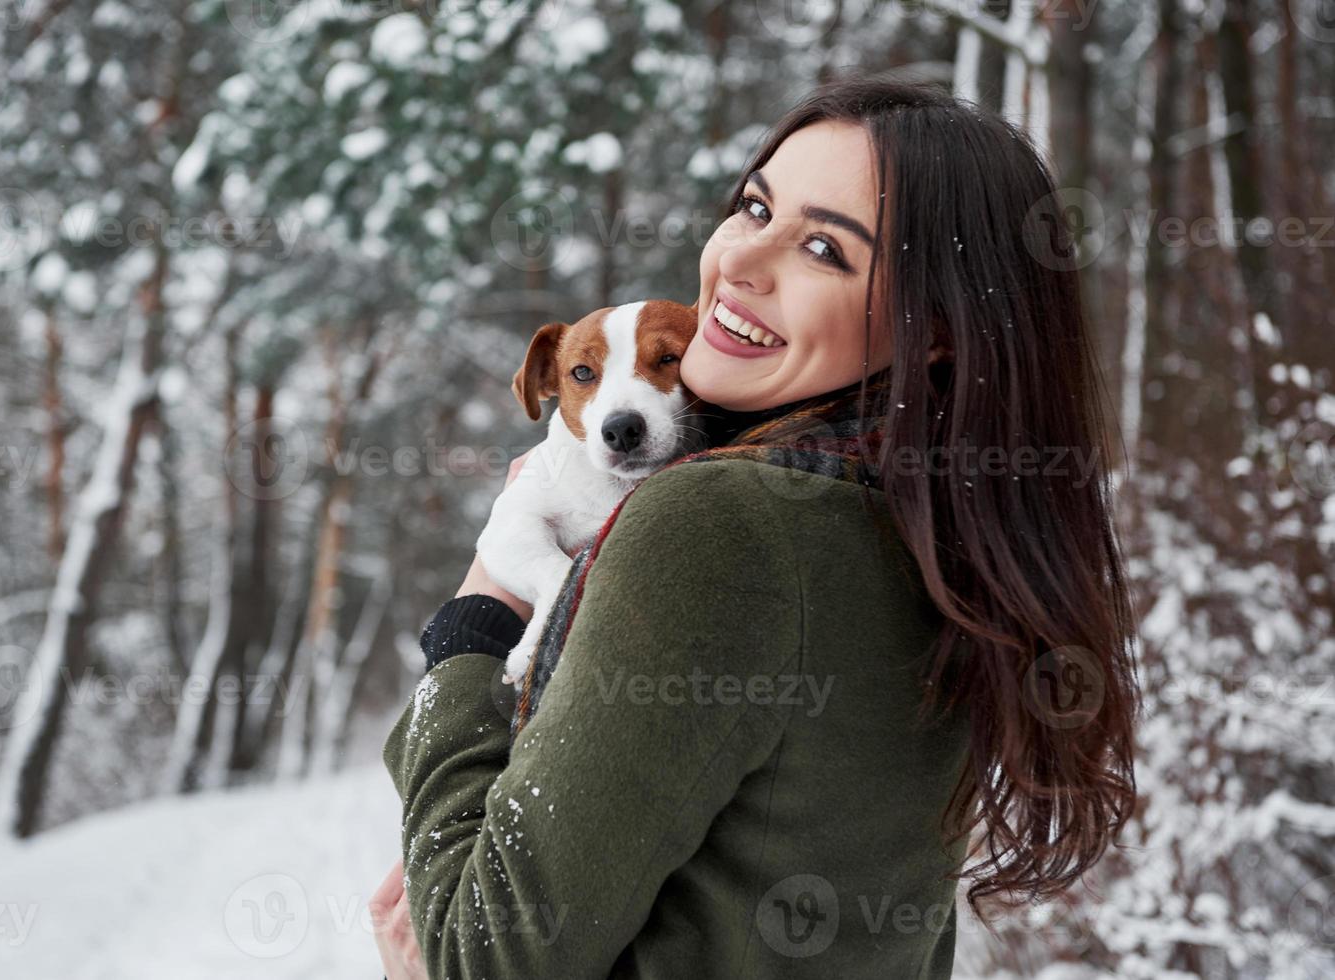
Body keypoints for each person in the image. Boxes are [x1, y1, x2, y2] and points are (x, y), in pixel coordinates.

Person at [371, 73, 1139, 979]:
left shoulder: (721, 524)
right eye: (753, 206)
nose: (739, 262)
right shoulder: (932, 529)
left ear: (932, 328)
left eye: (821, 246)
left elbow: (481, 952)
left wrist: (473, 621)